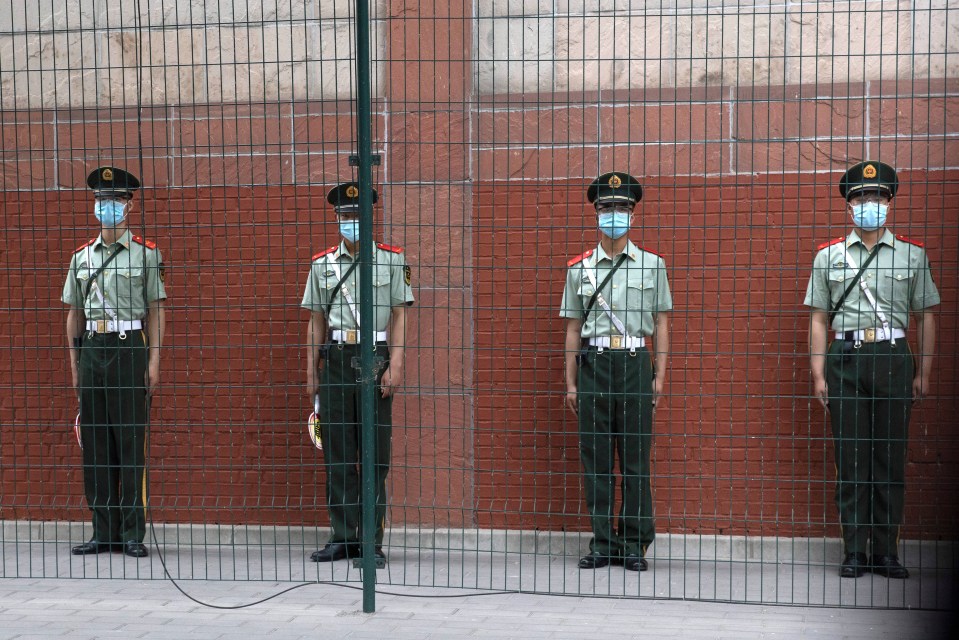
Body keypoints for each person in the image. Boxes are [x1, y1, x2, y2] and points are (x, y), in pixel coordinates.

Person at [804, 161, 940, 579]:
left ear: (890, 201)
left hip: (894, 357)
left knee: (889, 457)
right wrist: (818, 372)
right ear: (849, 205)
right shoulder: (829, 257)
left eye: (878, 196)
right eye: (861, 197)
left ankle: (886, 550)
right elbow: (817, 317)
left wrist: (925, 371)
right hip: (846, 358)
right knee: (852, 458)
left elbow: (927, 316)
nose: (870, 204)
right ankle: (853, 550)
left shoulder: (912, 255)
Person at [560, 171, 672, 572]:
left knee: (636, 459)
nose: (614, 214)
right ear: (595, 213)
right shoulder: (580, 269)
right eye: (607, 207)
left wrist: (660, 375)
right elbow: (573, 327)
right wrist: (571, 382)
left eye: (622, 207)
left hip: (634, 363)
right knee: (597, 459)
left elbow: (661, 323)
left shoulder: (652, 265)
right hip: (593, 365)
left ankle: (635, 543)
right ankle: (603, 542)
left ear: (633, 214)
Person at [302, 181, 414, 563]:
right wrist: (311, 373)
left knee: (373, 454)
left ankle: (371, 542)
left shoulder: (391, 260)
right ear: (337, 218)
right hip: (335, 357)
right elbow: (315, 321)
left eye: (357, 215)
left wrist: (395, 363)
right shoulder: (322, 265)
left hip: (374, 357)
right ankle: (342, 535)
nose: (351, 221)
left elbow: (399, 315)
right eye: (344, 216)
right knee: (337, 452)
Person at [62, 166, 167, 558]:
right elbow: (74, 314)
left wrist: (154, 360)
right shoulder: (81, 257)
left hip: (128, 347)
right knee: (95, 442)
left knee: (129, 440)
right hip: (93, 349)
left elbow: (157, 311)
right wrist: (75, 362)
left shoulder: (146, 254)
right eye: (101, 201)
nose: (107, 207)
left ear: (130, 205)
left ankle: (131, 532)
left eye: (115, 201)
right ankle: (102, 530)